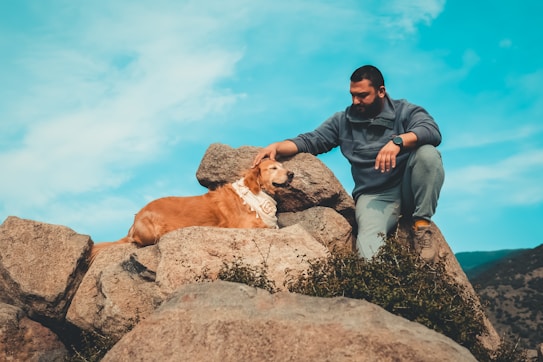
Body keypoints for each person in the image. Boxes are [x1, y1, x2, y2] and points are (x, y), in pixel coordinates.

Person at [252, 65, 445, 262]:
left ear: (381, 91)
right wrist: (276, 146)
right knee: (368, 259)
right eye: (352, 95)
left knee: (428, 154)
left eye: (362, 95)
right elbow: (311, 140)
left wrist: (398, 142)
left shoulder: (405, 111)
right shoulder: (343, 121)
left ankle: (421, 225)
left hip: (408, 188)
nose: (355, 101)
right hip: (375, 196)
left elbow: (432, 131)